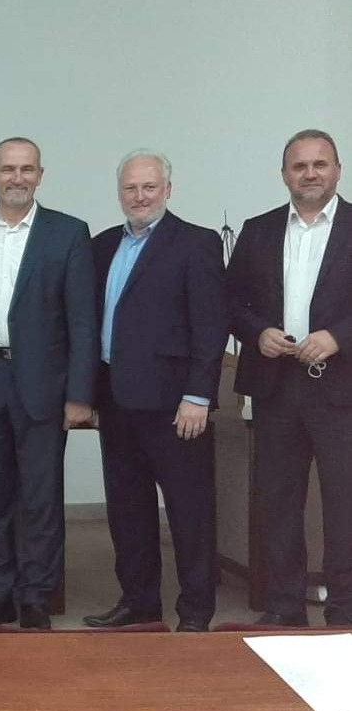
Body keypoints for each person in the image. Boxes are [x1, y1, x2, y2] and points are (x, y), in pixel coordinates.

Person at [0, 137, 97, 629]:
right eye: (7, 169)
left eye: (26, 169)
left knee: (40, 498)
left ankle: (35, 597)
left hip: (43, 384)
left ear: (40, 175)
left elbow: (82, 321)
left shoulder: (68, 233)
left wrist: (79, 395)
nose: (17, 178)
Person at [84, 150, 227, 633]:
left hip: (175, 406)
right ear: (119, 192)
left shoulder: (197, 243)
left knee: (189, 512)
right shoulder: (102, 246)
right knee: (129, 511)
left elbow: (211, 326)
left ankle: (195, 611)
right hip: (116, 402)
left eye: (149, 187)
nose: (140, 196)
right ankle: (140, 602)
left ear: (168, 188)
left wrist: (199, 396)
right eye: (130, 188)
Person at [229, 128, 351, 627]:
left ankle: (344, 606)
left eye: (319, 164)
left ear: (337, 170)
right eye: (299, 165)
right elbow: (230, 301)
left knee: (344, 501)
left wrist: (340, 336)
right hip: (277, 385)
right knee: (278, 501)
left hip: (341, 386)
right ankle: (283, 606)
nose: (310, 173)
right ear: (284, 175)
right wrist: (256, 332)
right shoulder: (257, 230)